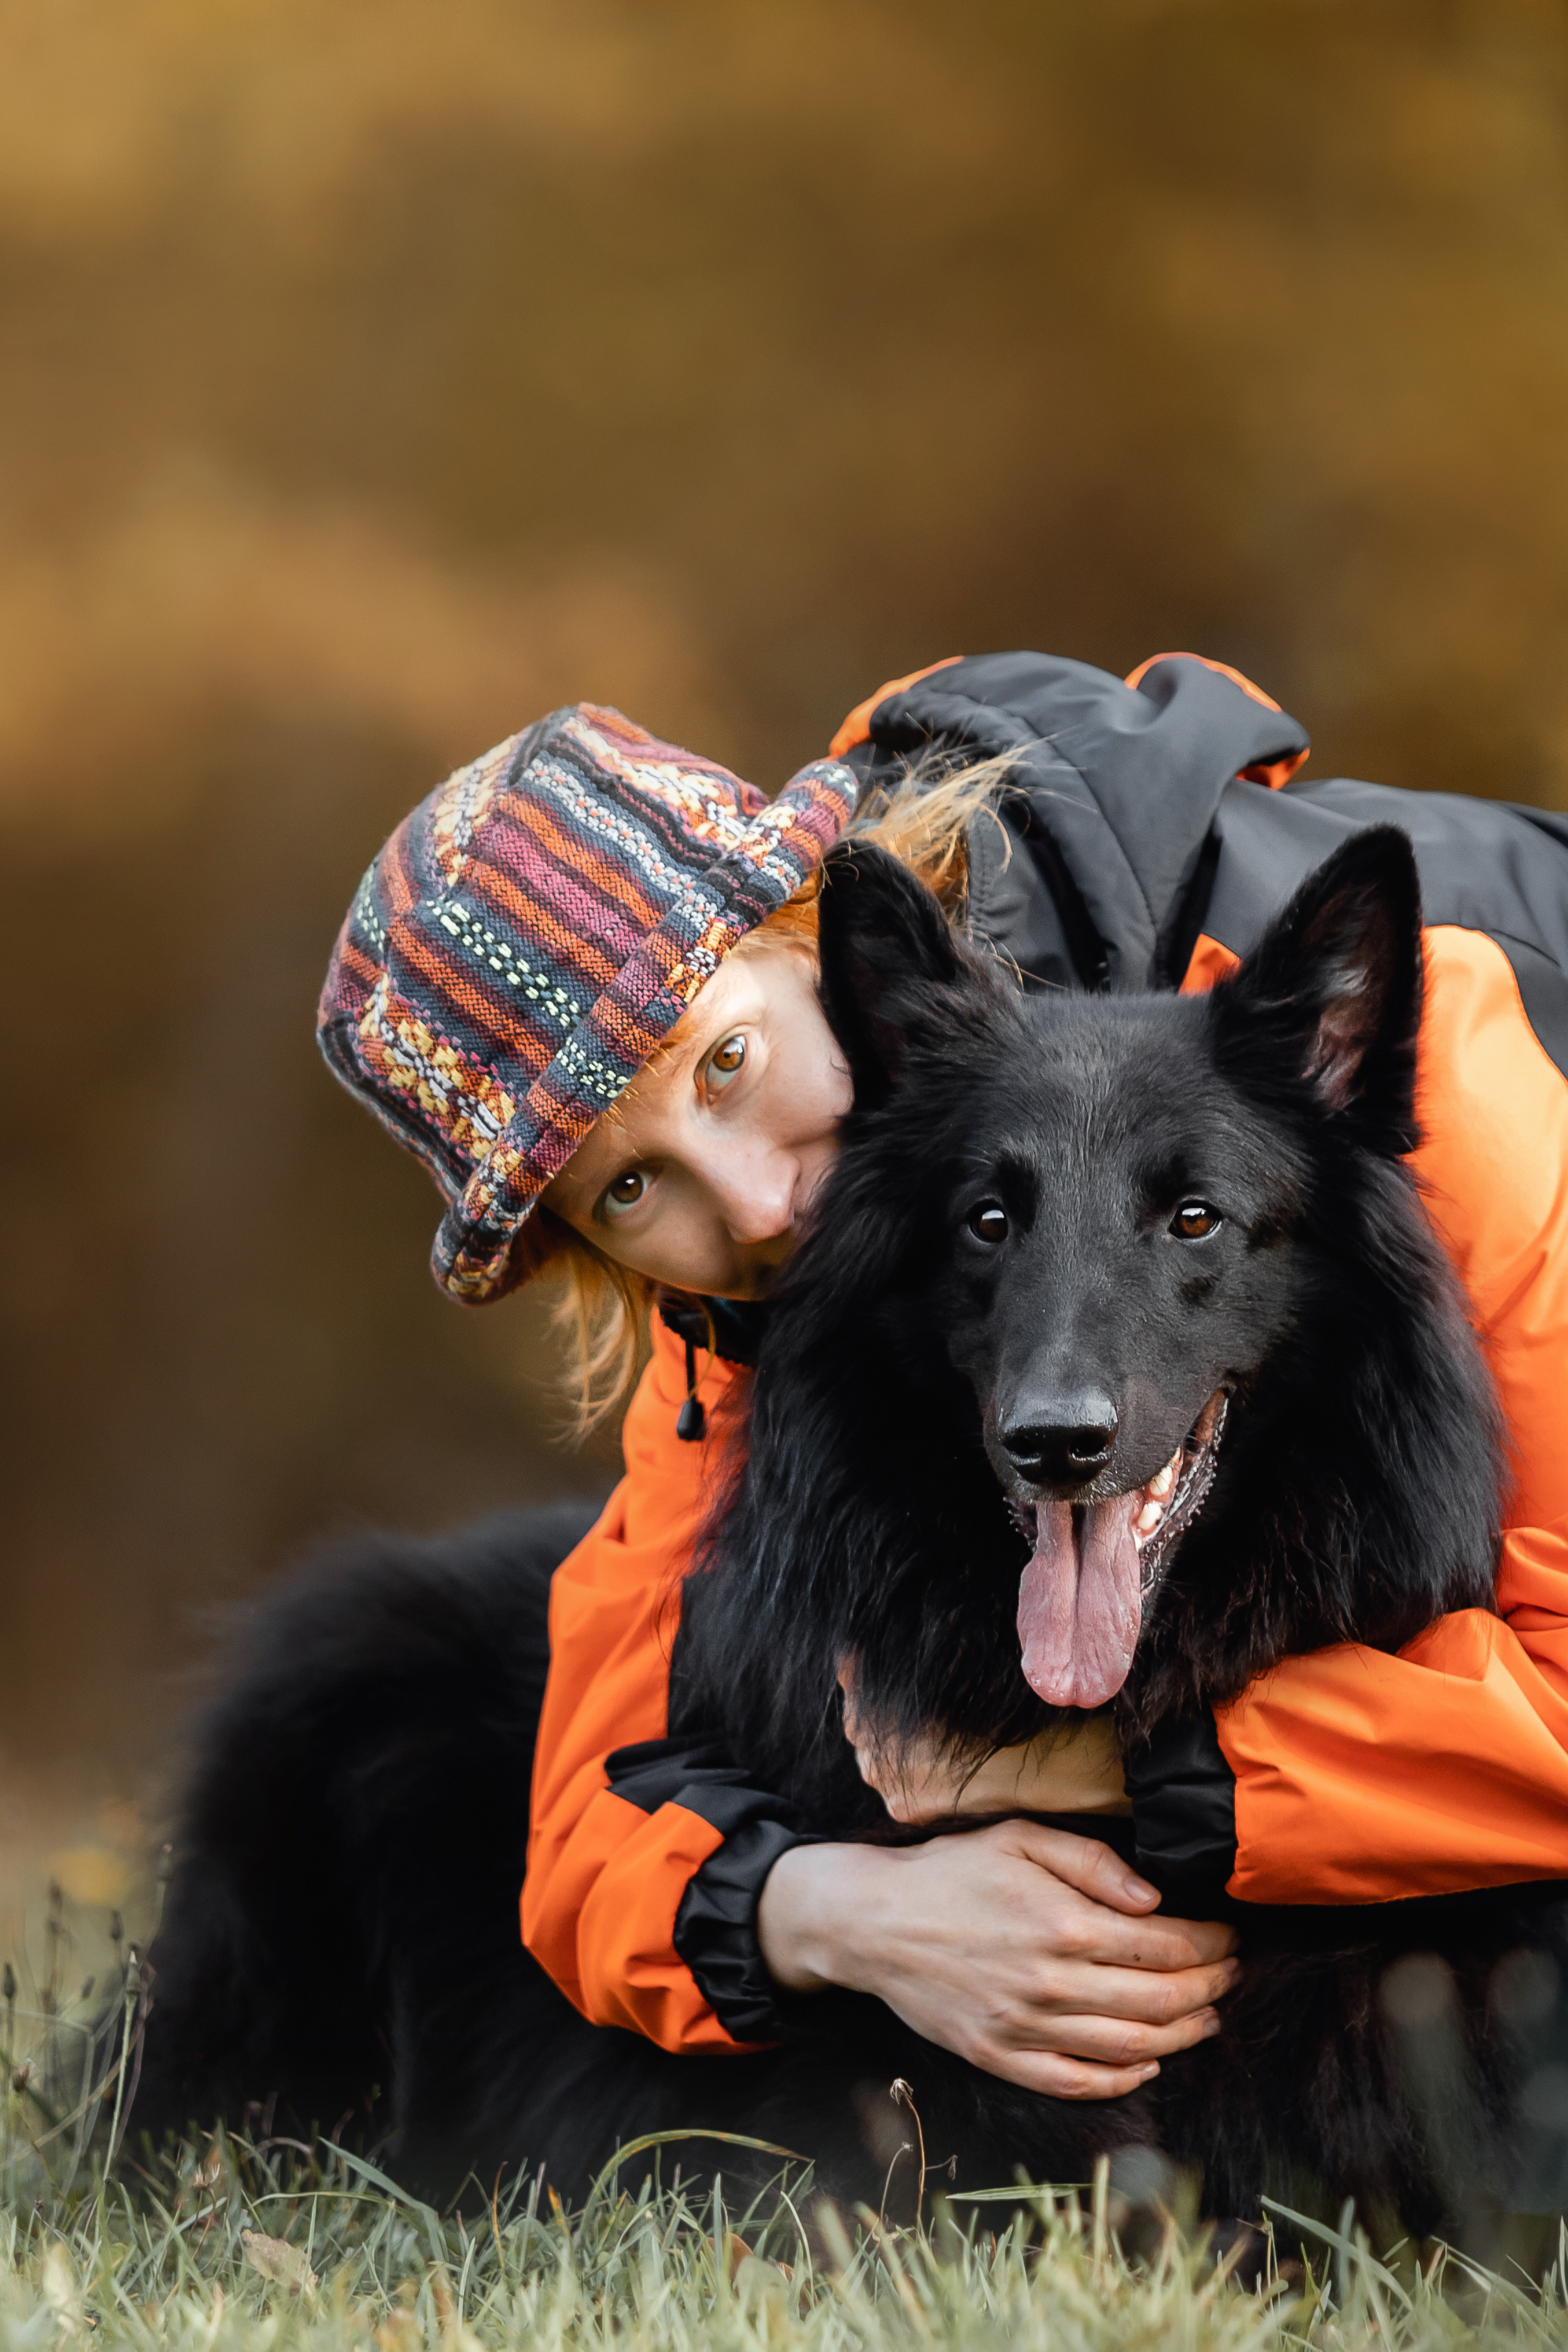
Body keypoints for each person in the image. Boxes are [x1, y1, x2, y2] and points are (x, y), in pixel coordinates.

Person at [318, 652, 1568, 2111]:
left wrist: (1111, 1772)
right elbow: (588, 1813)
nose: (753, 1208)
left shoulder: (1424, 1048)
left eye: (725, 1063)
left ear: (813, 943)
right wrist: (829, 1914)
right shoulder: (776, 1268)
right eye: (629, 1188)